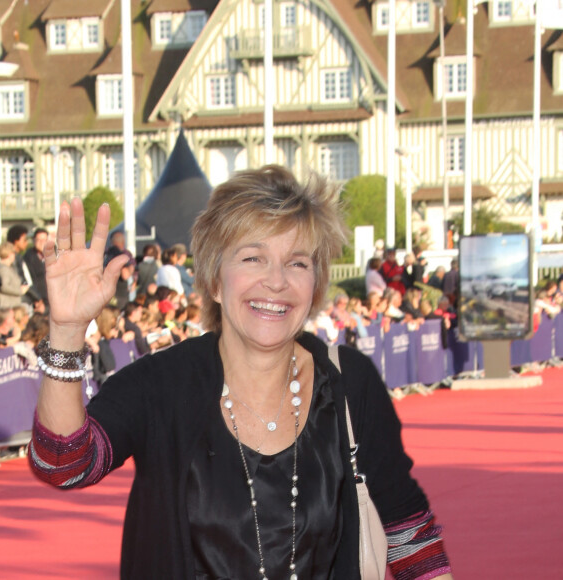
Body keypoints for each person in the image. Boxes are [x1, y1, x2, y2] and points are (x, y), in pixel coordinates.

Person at [28, 165, 453, 580]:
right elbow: (65, 464)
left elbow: (410, 534)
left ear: (316, 284)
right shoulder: (161, 384)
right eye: (253, 257)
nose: (276, 281)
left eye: (298, 263)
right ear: (215, 279)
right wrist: (66, 331)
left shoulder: (348, 383)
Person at [0, 242, 29, 308]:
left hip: (11, 304)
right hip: (7, 306)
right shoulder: (3, 269)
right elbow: (4, 286)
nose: (14, 255)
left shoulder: (7, 268)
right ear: (9, 254)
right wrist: (20, 290)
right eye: (13, 253)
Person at [23, 227, 49, 306]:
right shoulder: (28, 257)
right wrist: (37, 298)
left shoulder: (54, 254)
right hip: (38, 300)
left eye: (44, 240)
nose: (42, 243)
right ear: (34, 240)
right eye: (39, 240)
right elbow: (28, 281)